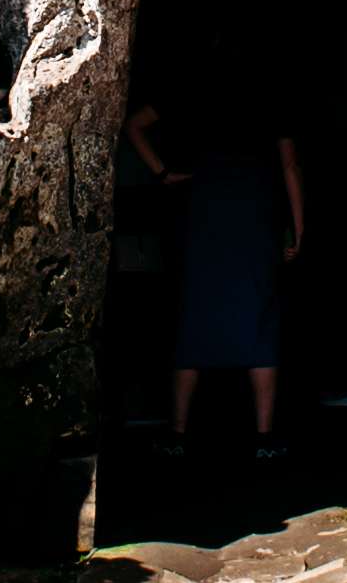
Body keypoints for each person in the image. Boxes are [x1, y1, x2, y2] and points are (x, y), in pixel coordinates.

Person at [130, 100, 305, 460]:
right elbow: (289, 164)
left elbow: (133, 126)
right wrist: (300, 229)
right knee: (259, 317)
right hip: (255, 212)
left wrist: (162, 173)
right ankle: (264, 437)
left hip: (200, 210)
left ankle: (177, 433)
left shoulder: (189, 82)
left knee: (194, 316)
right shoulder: (272, 90)